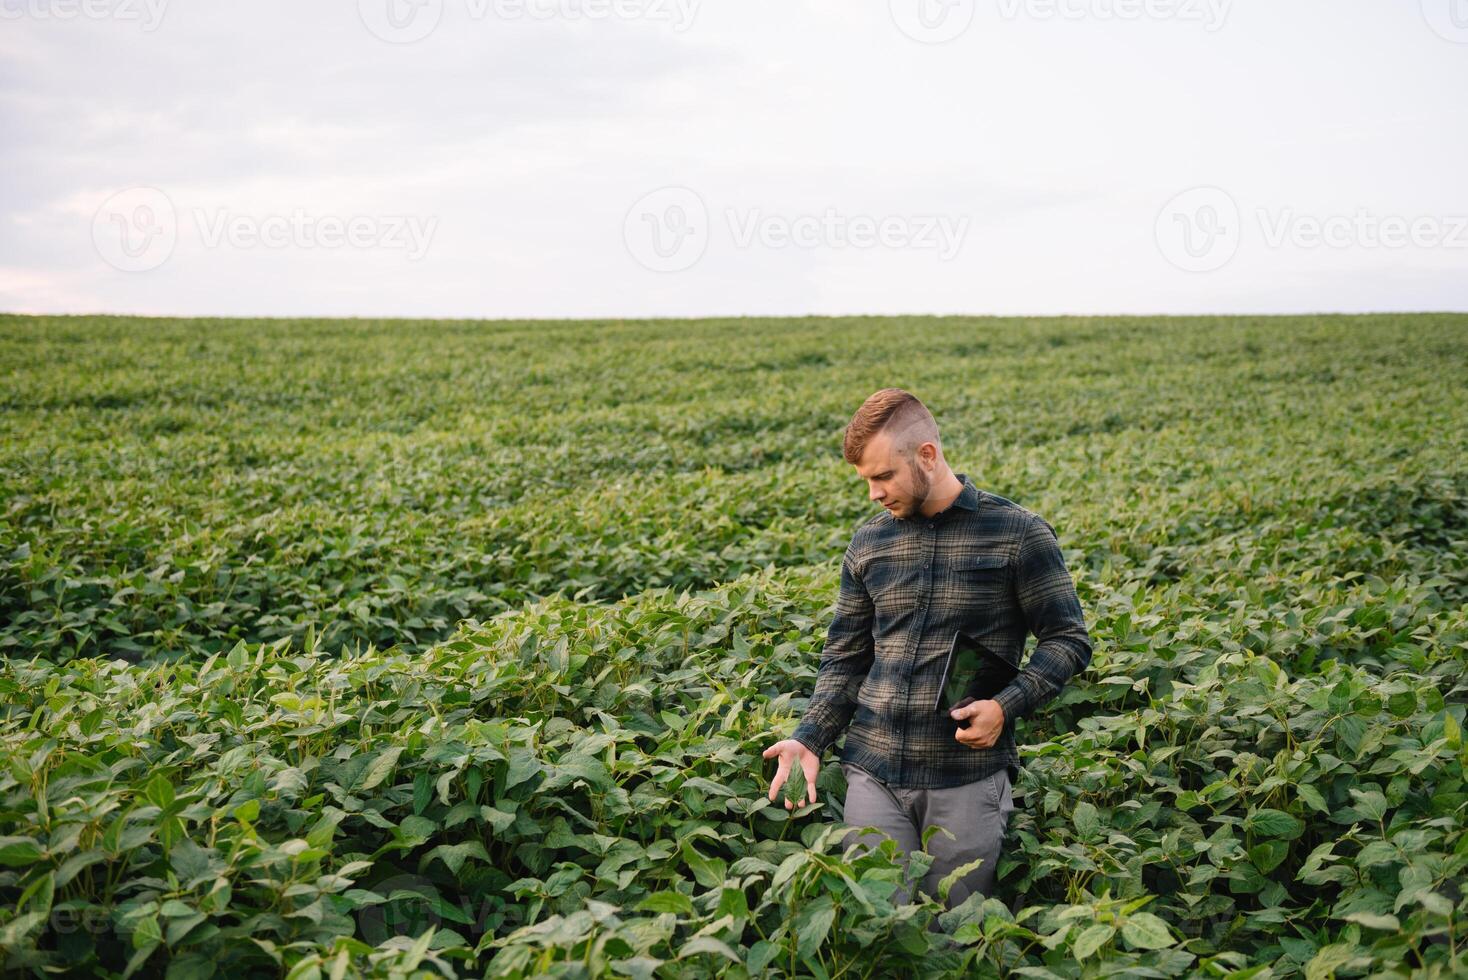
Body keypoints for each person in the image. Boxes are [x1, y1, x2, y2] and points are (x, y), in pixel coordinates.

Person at [762, 387, 1093, 910]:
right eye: (866, 480)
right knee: (881, 928)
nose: (874, 493)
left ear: (927, 456)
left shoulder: (1017, 534)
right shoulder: (869, 543)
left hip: (964, 777)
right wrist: (810, 737)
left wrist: (1004, 707)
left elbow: (1068, 639)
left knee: (954, 931)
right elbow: (846, 657)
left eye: (883, 476)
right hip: (872, 771)